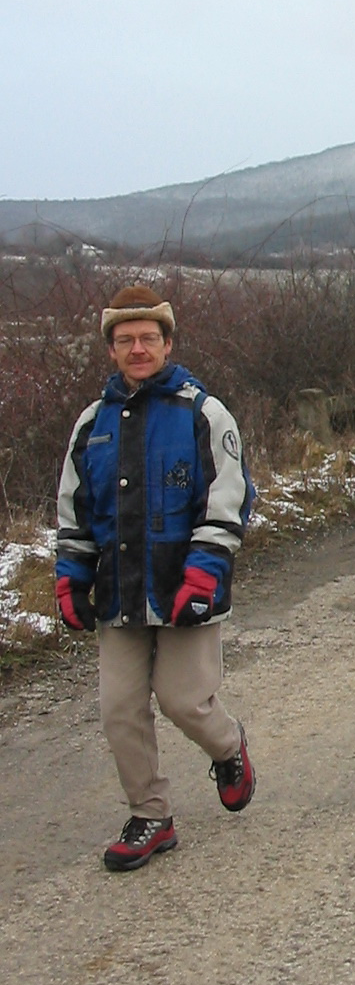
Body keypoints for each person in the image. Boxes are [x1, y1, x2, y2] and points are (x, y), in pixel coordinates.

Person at [55, 284, 256, 872]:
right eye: (125, 340)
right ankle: (150, 815)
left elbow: (229, 500)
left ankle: (228, 746)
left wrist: (205, 572)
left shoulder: (203, 413)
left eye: (148, 338)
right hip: (117, 589)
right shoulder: (91, 424)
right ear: (111, 350)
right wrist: (70, 577)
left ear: (167, 343)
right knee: (119, 708)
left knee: (183, 701)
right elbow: (74, 511)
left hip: (185, 585)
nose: (137, 348)